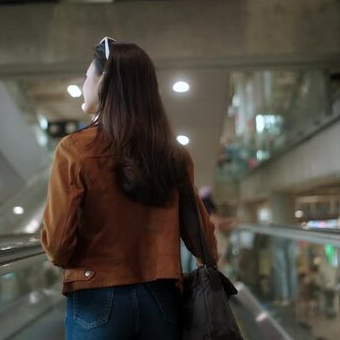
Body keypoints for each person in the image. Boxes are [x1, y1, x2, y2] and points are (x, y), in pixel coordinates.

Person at [41, 37, 218, 339]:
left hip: (96, 299)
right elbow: (204, 246)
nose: (84, 84)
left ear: (104, 81)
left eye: (87, 76)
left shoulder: (75, 150)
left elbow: (58, 247)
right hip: (161, 300)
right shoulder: (173, 155)